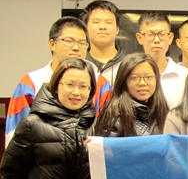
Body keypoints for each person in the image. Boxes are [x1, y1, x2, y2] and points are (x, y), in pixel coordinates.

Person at [5, 17, 111, 147]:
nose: (76, 48)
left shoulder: (100, 84)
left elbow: (107, 133)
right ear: (52, 44)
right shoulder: (30, 83)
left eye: (82, 43)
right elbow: (14, 136)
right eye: (69, 41)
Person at [93, 53, 168, 137]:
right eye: (134, 78)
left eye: (149, 77)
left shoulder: (164, 112)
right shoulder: (112, 117)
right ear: (123, 80)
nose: (142, 83)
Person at [135, 11, 188, 109]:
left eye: (162, 34)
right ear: (139, 38)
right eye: (150, 34)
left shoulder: (185, 75)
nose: (156, 40)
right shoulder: (130, 75)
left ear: (170, 38)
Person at [80, 0, 126, 84]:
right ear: (85, 28)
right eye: (96, 22)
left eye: (108, 22)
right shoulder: (78, 62)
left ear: (117, 29)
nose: (102, 27)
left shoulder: (129, 64)